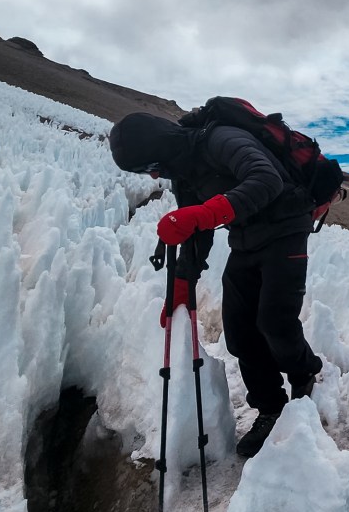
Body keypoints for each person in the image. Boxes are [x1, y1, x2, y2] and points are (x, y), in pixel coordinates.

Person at [109, 110, 323, 457]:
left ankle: (304, 371)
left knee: (274, 320)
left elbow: (266, 179)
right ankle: (270, 408)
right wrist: (182, 282)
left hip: (287, 229)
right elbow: (196, 232)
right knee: (239, 332)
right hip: (245, 238)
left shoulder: (221, 138)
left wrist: (204, 213)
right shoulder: (183, 172)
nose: (152, 174)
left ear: (159, 146)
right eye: (141, 171)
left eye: (148, 164)